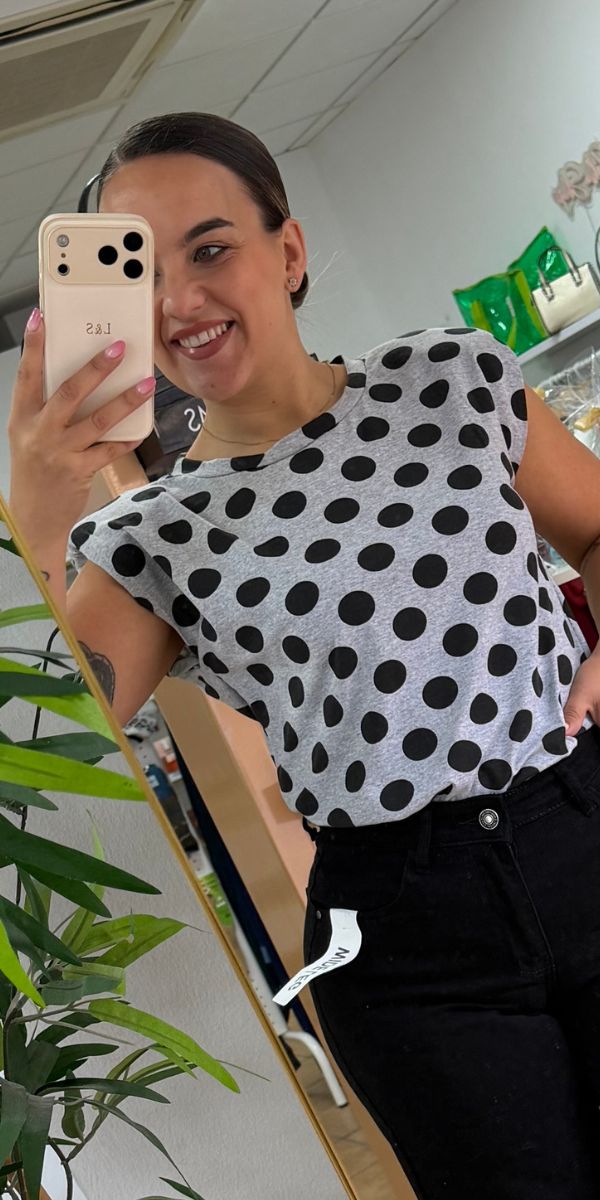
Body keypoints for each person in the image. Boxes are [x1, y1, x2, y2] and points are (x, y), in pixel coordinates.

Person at [7, 111, 600, 1200]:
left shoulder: (451, 378)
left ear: (288, 250)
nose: (177, 300)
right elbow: (47, 735)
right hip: (409, 939)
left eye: (210, 248)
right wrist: (38, 507)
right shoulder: (149, 536)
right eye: (139, 273)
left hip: (581, 818)